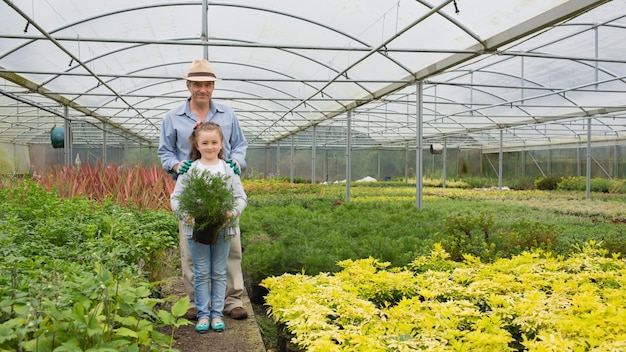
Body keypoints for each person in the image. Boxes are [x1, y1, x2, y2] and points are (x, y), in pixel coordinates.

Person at [158, 59, 249, 320]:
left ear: (213, 86)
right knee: (191, 248)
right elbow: (164, 152)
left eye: (207, 84)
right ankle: (196, 303)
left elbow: (240, 145)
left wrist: (236, 162)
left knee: (230, 246)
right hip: (191, 194)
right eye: (197, 84)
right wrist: (177, 166)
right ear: (188, 85)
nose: (202, 89)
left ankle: (231, 301)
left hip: (223, 191)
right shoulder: (173, 117)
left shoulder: (227, 114)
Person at [170, 122, 247, 333]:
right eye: (205, 142)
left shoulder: (228, 169)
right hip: (196, 229)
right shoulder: (189, 170)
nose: (210, 146)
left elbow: (241, 197)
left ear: (222, 144)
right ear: (197, 144)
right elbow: (176, 198)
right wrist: (186, 216)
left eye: (214, 142)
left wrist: (231, 213)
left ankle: (217, 314)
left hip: (223, 228)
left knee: (219, 272)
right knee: (202, 272)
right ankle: (203, 314)